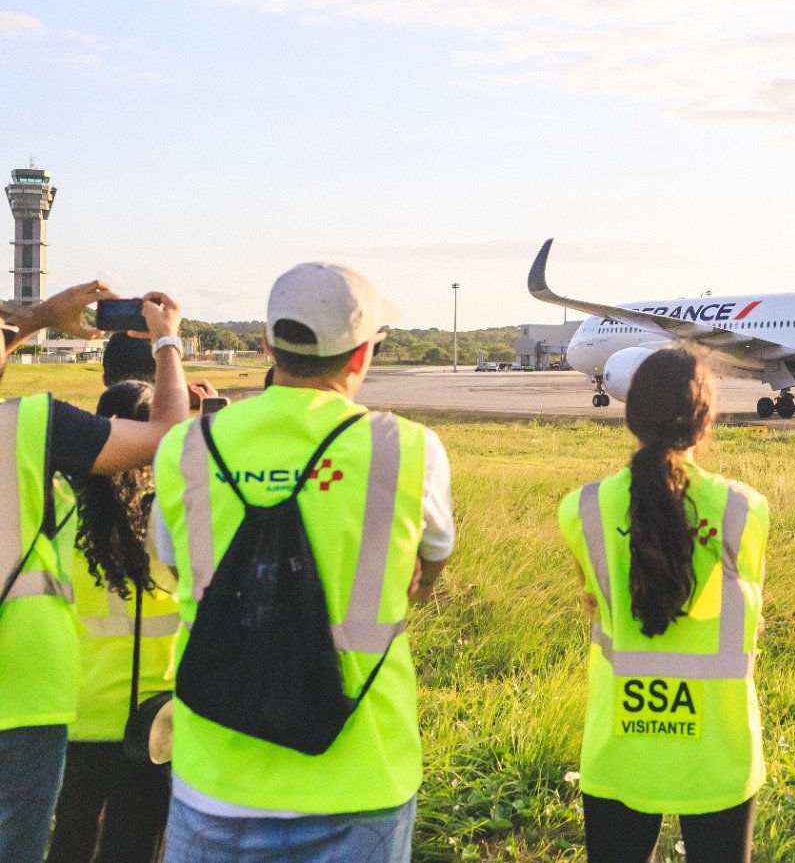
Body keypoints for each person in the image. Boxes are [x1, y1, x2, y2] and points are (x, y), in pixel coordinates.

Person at [150, 262, 455, 861]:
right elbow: (430, 567)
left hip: (217, 775)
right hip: (360, 770)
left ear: (267, 345)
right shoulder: (409, 449)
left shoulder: (186, 446)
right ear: (362, 355)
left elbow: (177, 568)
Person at [1, 283, 191, 863]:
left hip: (74, 714)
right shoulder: (25, 430)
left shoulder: (66, 498)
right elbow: (167, 438)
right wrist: (167, 343)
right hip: (29, 698)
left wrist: (32, 319)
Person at [558, 347, 769, 863]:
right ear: (705, 420)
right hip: (719, 751)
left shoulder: (582, 508)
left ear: (631, 416)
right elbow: (750, 620)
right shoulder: (745, 508)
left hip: (621, 748)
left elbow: (597, 603)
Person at [48, 381, 178, 863]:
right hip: (153, 722)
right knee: (136, 848)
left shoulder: (62, 513)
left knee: (69, 842)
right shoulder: (171, 516)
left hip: (74, 713)